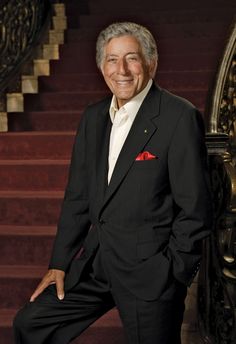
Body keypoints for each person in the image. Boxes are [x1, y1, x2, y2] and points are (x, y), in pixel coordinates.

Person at [13, 22, 213, 344]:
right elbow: (78, 197)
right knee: (31, 324)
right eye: (111, 60)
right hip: (97, 263)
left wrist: (172, 272)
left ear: (151, 63)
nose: (121, 69)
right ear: (101, 67)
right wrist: (59, 263)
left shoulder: (178, 117)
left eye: (131, 58)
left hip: (150, 270)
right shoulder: (93, 118)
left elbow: (196, 208)